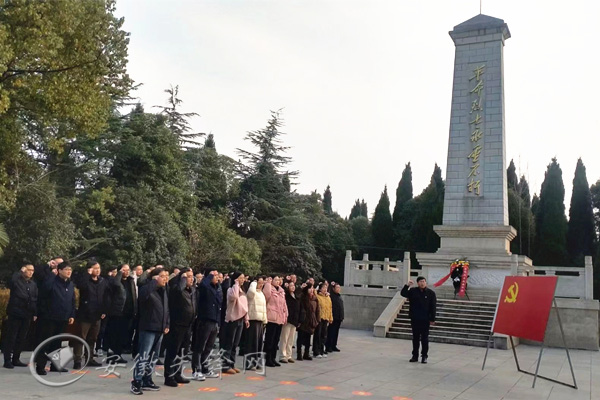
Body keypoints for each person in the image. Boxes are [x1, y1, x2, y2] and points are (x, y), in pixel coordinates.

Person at [130, 267, 170, 395]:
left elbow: (166, 309)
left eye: (167, 276)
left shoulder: (163, 290)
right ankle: (137, 381)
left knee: (154, 357)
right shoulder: (146, 288)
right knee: (144, 356)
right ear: (155, 278)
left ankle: (147, 379)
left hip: (160, 328)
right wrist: (153, 282)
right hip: (148, 328)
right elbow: (143, 296)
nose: (166, 279)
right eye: (163, 276)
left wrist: (166, 324)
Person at [34, 261, 76, 375]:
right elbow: (43, 294)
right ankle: (40, 366)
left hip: (63, 317)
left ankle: (55, 365)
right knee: (46, 342)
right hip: (49, 317)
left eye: (70, 270)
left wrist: (72, 314)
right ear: (59, 271)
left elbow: (72, 301)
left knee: (58, 343)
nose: (69, 272)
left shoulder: (70, 284)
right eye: (66, 269)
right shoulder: (51, 282)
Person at [72, 260, 112, 369]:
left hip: (97, 314)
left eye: (98, 268)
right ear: (89, 269)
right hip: (84, 314)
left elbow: (106, 296)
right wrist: (87, 274)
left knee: (93, 338)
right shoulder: (85, 280)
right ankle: (77, 360)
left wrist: (104, 310)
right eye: (95, 268)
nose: (97, 270)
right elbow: (81, 286)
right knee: (81, 337)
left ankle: (89, 358)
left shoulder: (102, 281)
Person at [164, 268, 196, 388]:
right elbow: (177, 290)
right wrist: (182, 278)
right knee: (173, 351)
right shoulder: (176, 288)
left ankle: (178, 374)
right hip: (177, 325)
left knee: (182, 351)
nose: (191, 279)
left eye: (192, 276)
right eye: (188, 276)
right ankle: (169, 376)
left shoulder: (190, 290)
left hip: (188, 325)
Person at [3, 263, 38, 369]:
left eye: (32, 270)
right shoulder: (17, 280)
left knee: (21, 337)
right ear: (24, 270)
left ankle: (16, 358)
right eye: (29, 270)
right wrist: (20, 272)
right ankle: (7, 360)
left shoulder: (33, 284)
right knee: (11, 337)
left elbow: (35, 298)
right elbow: (12, 281)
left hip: (27, 313)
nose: (31, 272)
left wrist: (35, 313)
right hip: (16, 312)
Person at [191, 269, 222, 381]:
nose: (216, 277)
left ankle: (205, 368)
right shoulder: (204, 287)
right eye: (214, 275)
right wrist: (208, 277)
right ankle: (196, 370)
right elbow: (203, 285)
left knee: (209, 347)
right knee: (199, 346)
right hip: (205, 320)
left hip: (215, 320)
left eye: (217, 275)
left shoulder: (217, 288)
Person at [400, 276, 437, 364]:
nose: (422, 283)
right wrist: (407, 285)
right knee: (415, 338)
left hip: (425, 319)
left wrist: (432, 319)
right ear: (417, 283)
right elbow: (403, 293)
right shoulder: (413, 291)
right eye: (420, 281)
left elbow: (433, 307)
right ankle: (415, 356)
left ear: (426, 282)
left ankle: (424, 356)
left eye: (423, 281)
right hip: (415, 318)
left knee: (425, 339)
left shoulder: (431, 293)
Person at [107, 264, 136, 364]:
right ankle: (112, 356)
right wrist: (119, 273)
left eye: (128, 270)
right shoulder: (115, 281)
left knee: (123, 336)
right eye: (124, 270)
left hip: (128, 312)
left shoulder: (131, 280)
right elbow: (115, 284)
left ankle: (118, 354)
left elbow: (133, 295)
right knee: (114, 335)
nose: (126, 272)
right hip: (118, 312)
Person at [221, 272, 249, 374]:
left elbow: (245, 306)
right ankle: (225, 366)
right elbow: (234, 297)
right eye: (240, 278)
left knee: (235, 344)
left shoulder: (242, 290)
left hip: (240, 319)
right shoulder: (231, 289)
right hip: (232, 320)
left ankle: (232, 364)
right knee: (229, 343)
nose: (242, 280)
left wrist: (246, 318)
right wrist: (236, 285)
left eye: (243, 278)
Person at [262, 275, 288, 367]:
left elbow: (284, 305)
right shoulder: (269, 288)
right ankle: (267, 359)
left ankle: (273, 358)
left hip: (280, 318)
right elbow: (266, 296)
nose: (278, 281)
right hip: (271, 318)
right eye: (275, 280)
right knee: (270, 339)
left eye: (278, 280)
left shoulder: (281, 291)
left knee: (276, 339)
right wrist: (268, 284)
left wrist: (285, 315)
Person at [245, 276, 267, 370]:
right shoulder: (252, 292)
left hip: (260, 320)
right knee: (252, 343)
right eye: (259, 283)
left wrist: (265, 320)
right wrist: (253, 283)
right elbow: (251, 293)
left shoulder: (261, 293)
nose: (261, 285)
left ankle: (257, 362)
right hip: (253, 319)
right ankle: (250, 363)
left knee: (259, 343)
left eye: (262, 283)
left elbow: (264, 308)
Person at [297, 283, 319, 361]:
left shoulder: (314, 298)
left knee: (308, 338)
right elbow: (300, 308)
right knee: (300, 338)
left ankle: (306, 353)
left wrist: (317, 319)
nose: (311, 290)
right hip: (303, 320)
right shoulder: (302, 297)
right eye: (310, 288)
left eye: (312, 288)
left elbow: (317, 310)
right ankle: (299, 353)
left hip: (311, 320)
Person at [279, 280, 299, 364]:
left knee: (291, 339)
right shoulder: (286, 296)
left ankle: (289, 355)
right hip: (287, 319)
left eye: (293, 285)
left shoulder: (296, 296)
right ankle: (283, 355)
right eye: (291, 285)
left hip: (294, 320)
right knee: (284, 338)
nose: (293, 287)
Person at [314, 282, 332, 358]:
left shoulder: (328, 297)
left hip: (326, 318)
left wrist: (330, 318)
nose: (325, 289)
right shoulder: (317, 296)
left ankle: (322, 350)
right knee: (317, 334)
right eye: (323, 288)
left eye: (326, 288)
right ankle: (316, 351)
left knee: (324, 335)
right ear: (320, 289)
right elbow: (314, 292)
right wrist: (317, 287)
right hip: (319, 318)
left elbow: (330, 308)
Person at [326, 283, 344, 352]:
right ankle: (329, 346)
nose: (338, 289)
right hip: (333, 317)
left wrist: (342, 316)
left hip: (339, 318)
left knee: (336, 332)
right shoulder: (331, 296)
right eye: (337, 288)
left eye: (339, 288)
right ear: (333, 288)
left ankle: (334, 345)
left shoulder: (339, 296)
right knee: (331, 332)